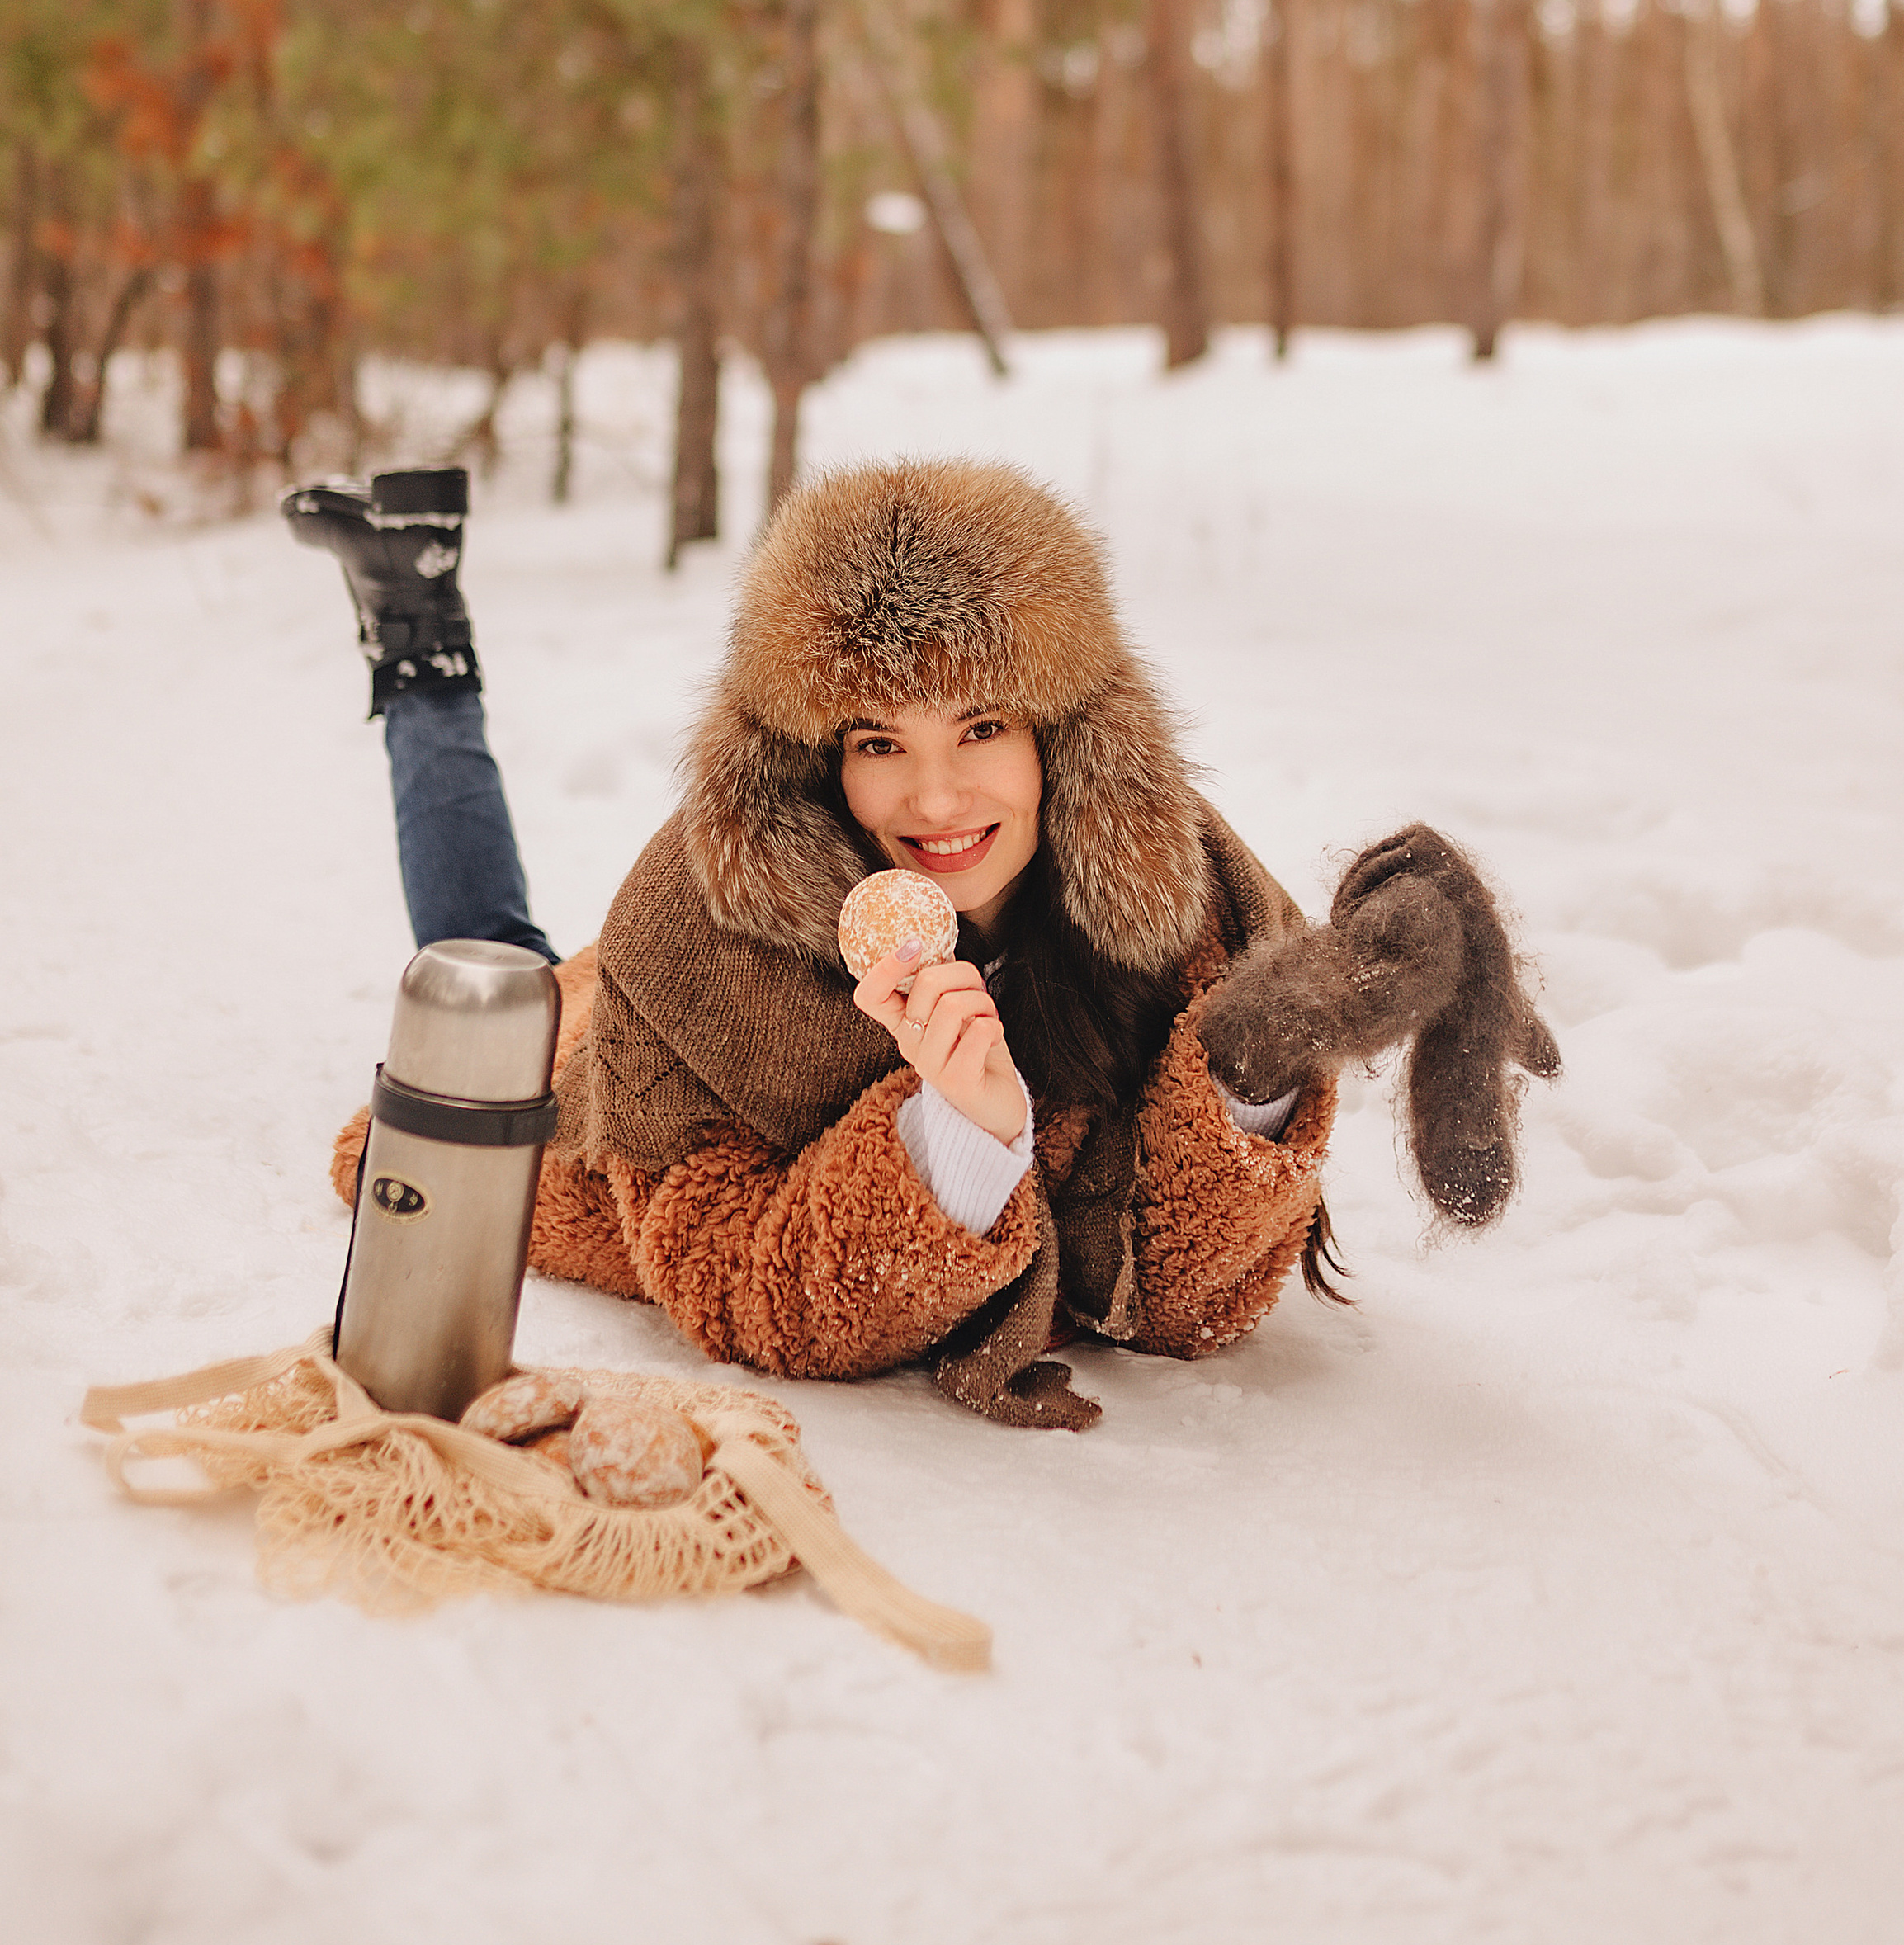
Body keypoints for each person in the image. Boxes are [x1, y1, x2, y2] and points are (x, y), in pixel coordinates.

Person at [293, 455, 1560, 1433]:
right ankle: (425, 639)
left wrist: (1260, 1053)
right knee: (490, 974)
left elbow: (1181, 1296)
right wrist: (953, 1133)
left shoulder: (1173, 874)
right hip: (585, 1070)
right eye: (880, 743)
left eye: (981, 729)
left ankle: (422, 624)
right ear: (816, 759)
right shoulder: (694, 931)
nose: (940, 803)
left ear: (1058, 734)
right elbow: (744, 1284)